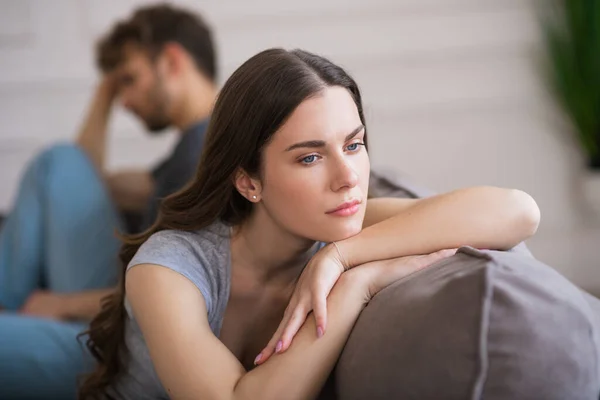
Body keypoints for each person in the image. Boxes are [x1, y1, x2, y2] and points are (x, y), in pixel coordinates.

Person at [80, 48, 540, 400]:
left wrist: (344, 258)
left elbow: (518, 212)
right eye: (311, 157)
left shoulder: (343, 232)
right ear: (248, 180)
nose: (348, 178)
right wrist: (356, 287)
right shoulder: (166, 270)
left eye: (355, 145)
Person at [0, 4, 217, 399]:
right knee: (59, 161)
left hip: (131, 341)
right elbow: (80, 177)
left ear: (171, 61)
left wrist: (60, 304)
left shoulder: (206, 154)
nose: (125, 101)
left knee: (61, 160)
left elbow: (181, 292)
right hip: (121, 316)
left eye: (129, 80)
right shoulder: (188, 152)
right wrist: (104, 93)